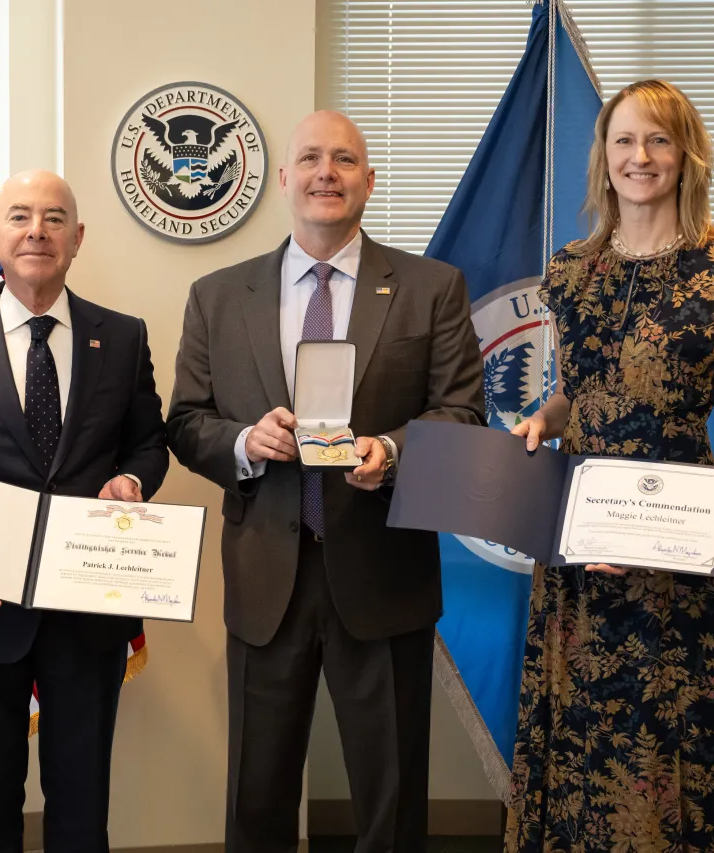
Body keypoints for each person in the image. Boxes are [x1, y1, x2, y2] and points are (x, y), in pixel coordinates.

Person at [167, 111, 485, 853]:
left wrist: (391, 450)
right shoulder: (218, 294)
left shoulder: (430, 287)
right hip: (265, 581)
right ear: (284, 179)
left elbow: (465, 411)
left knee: (392, 795)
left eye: (344, 160)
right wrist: (248, 440)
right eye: (310, 157)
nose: (325, 173)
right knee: (257, 795)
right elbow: (186, 421)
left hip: (384, 571)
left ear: (368, 183)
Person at [505, 79, 714, 851]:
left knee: (658, 743)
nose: (640, 156)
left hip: (673, 559)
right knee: (578, 736)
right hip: (579, 549)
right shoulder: (569, 271)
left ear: (686, 155)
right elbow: (576, 394)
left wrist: (673, 533)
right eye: (624, 139)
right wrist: (540, 419)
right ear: (604, 156)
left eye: (658, 139)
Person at [0, 170, 169, 853]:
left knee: (82, 807)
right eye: (20, 216)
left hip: (89, 610)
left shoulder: (125, 337)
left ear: (77, 238)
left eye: (54, 218)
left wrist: (133, 481)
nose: (37, 231)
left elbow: (147, 443)